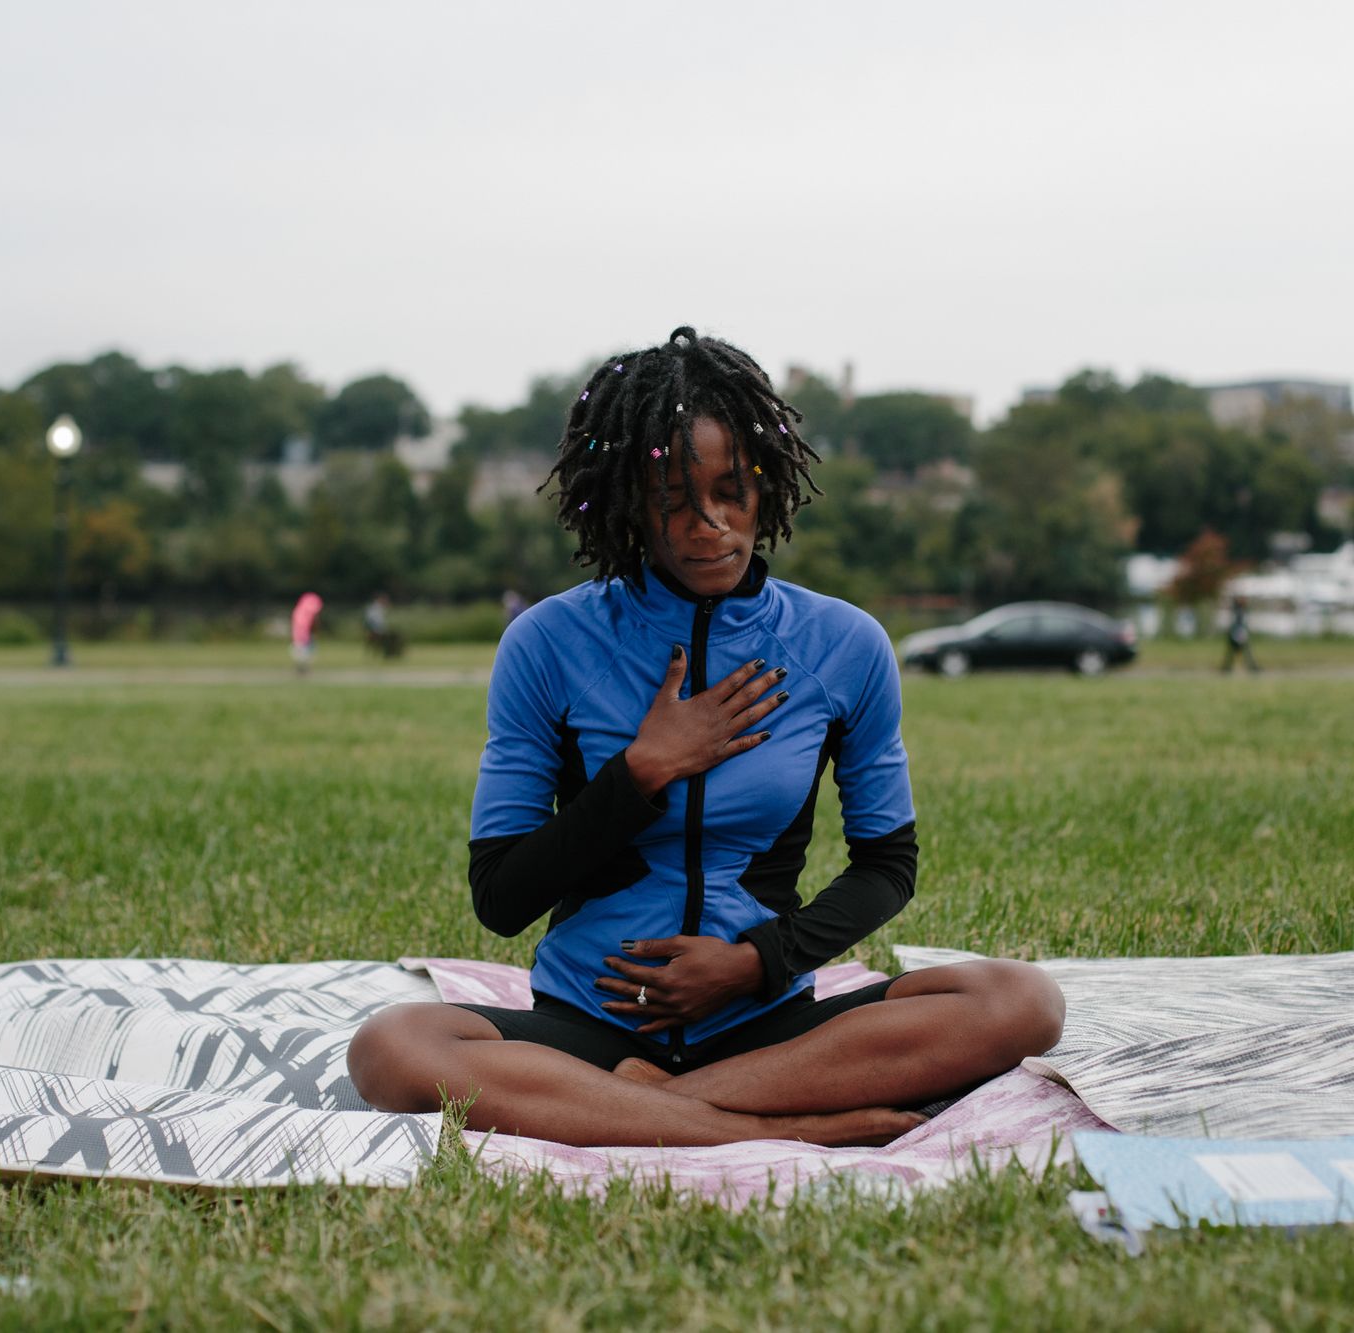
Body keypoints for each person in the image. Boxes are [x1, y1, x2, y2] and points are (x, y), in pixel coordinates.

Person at [348, 327, 1064, 1147]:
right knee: (391, 1047)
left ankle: (664, 1110)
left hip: (766, 1021)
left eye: (733, 489)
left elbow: (887, 866)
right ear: (627, 502)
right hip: (592, 1025)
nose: (709, 524)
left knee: (1023, 1001)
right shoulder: (548, 642)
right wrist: (642, 770)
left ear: (769, 482)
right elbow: (502, 897)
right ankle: (775, 1126)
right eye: (673, 498)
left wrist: (759, 961)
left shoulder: (845, 643)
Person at [1221, 595, 1260, 674]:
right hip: (1238, 634)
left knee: (1239, 653)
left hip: (1238, 633)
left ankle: (1227, 668)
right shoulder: (1239, 611)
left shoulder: (1240, 610)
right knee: (1243, 652)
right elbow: (1239, 624)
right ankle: (1252, 667)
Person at [291, 591, 323, 676]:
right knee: (306, 651)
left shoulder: (298, 611)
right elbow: (314, 622)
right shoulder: (308, 610)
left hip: (300, 633)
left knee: (301, 651)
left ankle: (301, 668)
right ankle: (303, 669)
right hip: (305, 633)